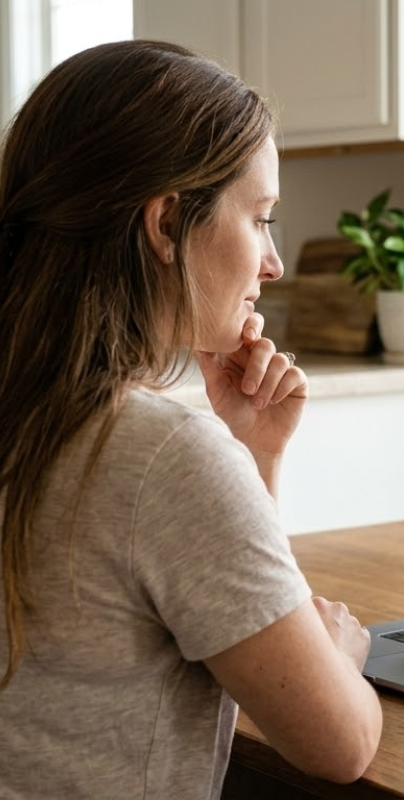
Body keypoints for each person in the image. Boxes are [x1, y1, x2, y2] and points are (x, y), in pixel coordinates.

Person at [0, 40, 382, 798]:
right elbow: (343, 744)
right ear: (168, 224)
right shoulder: (158, 455)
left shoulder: (33, 411)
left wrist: (254, 455)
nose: (273, 264)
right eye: (262, 218)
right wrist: (340, 653)